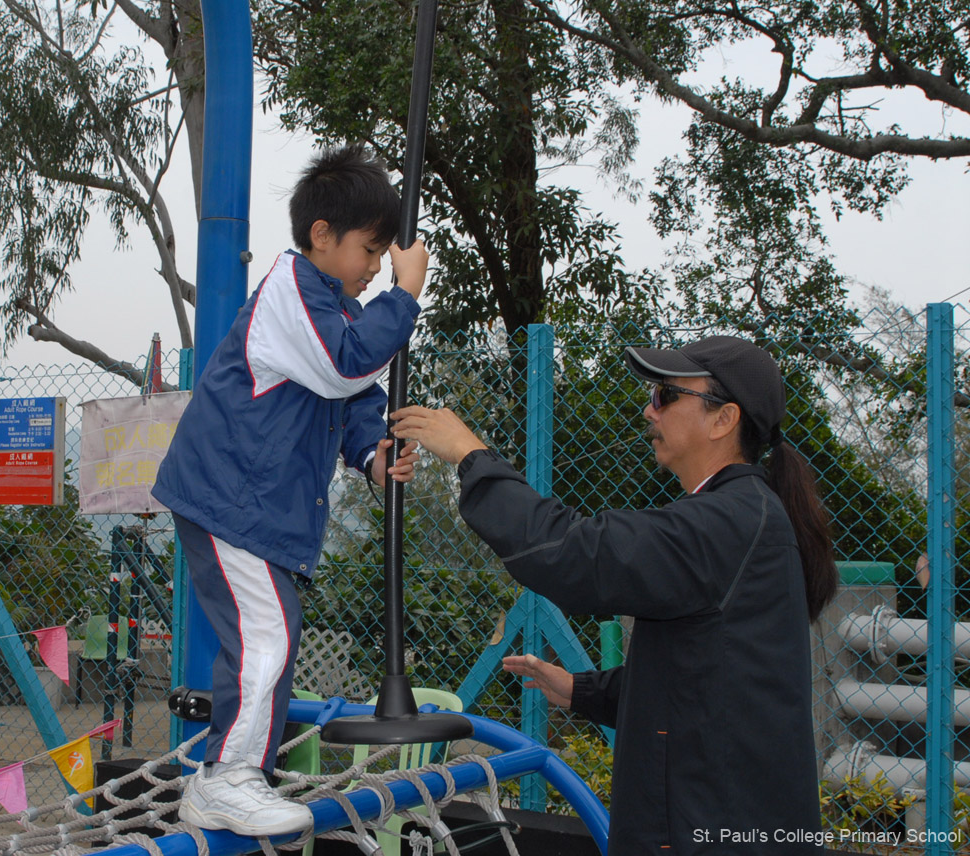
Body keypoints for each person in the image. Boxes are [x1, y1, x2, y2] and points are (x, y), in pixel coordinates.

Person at [391, 335, 838, 854]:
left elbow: (577, 556)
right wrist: (582, 690)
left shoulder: (726, 521)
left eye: (666, 396)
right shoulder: (739, 515)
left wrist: (472, 456)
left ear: (723, 419)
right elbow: (705, 681)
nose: (648, 410)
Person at [152, 144, 427, 837]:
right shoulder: (290, 291)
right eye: (370, 250)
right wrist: (405, 296)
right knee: (267, 634)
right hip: (230, 496)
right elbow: (346, 364)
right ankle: (230, 779)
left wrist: (373, 455)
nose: (373, 268)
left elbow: (354, 402)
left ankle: (230, 776)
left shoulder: (330, 305)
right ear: (321, 237)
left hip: (257, 506)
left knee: (266, 631)